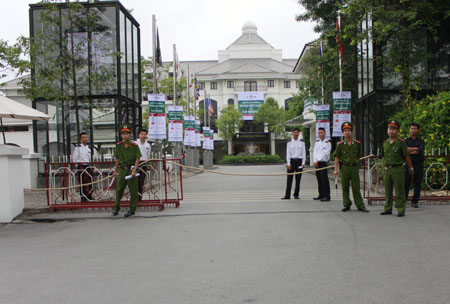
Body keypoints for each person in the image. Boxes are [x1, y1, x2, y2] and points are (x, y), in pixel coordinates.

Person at [380, 120, 414, 217]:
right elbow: (384, 157)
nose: (391, 131)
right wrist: (383, 169)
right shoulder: (385, 143)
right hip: (388, 168)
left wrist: (411, 167)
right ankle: (387, 208)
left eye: (394, 129)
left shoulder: (401, 143)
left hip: (397, 168)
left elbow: (406, 156)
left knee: (399, 190)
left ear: (397, 131)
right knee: (388, 190)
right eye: (390, 129)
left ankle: (401, 208)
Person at [334, 122, 369, 212]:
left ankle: (360, 205)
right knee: (345, 187)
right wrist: (335, 169)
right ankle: (346, 204)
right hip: (344, 167)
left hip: (353, 167)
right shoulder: (340, 145)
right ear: (343, 132)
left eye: (349, 130)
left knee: (356, 187)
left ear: (351, 132)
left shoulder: (357, 144)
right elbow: (337, 157)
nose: (347, 132)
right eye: (345, 131)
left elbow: (359, 155)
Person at [112, 125, 141, 217]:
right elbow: (117, 159)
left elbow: (137, 158)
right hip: (122, 170)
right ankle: (116, 208)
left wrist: (134, 171)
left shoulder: (134, 146)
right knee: (119, 189)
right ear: (121, 135)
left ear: (130, 135)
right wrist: (115, 171)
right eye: (123, 134)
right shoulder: (119, 146)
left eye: (127, 134)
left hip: (131, 169)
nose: (125, 136)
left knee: (133, 190)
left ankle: (132, 209)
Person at [404, 123, 425, 208]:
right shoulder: (406, 141)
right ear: (409, 130)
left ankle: (415, 201)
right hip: (408, 164)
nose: (413, 130)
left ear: (418, 130)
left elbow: (419, 150)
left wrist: (410, 150)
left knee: (417, 183)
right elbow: (405, 150)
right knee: (406, 183)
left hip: (418, 164)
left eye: (415, 128)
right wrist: (414, 148)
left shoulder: (421, 141)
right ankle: (403, 200)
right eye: (412, 128)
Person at [282, 128, 306, 200]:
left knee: (298, 180)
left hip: (299, 161)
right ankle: (287, 195)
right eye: (294, 132)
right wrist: (288, 163)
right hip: (291, 162)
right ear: (292, 133)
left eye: (297, 132)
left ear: (299, 133)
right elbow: (288, 153)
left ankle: (296, 194)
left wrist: (303, 163)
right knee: (289, 179)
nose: (296, 134)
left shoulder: (302, 142)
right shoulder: (289, 142)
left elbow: (304, 153)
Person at [72, 132, 93, 202]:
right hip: (81, 166)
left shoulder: (88, 148)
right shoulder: (78, 148)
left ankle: (89, 195)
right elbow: (75, 158)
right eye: (83, 137)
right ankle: (83, 197)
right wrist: (78, 166)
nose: (85, 139)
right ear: (81, 139)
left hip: (87, 166)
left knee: (90, 180)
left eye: (86, 137)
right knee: (83, 182)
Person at [313, 127, 332, 201]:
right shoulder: (317, 143)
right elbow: (315, 152)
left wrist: (317, 160)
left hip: (323, 163)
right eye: (319, 133)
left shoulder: (327, 143)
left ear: (325, 133)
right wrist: (315, 161)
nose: (320, 134)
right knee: (319, 179)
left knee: (324, 179)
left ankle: (327, 195)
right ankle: (320, 194)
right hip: (317, 163)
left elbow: (325, 154)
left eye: (322, 133)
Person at [134, 129, 151, 201]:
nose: (143, 136)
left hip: (144, 163)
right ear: (139, 135)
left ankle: (140, 195)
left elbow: (148, 154)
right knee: (136, 180)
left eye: (145, 134)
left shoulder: (148, 144)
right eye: (142, 134)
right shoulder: (135, 143)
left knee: (142, 180)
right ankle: (136, 195)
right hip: (136, 163)